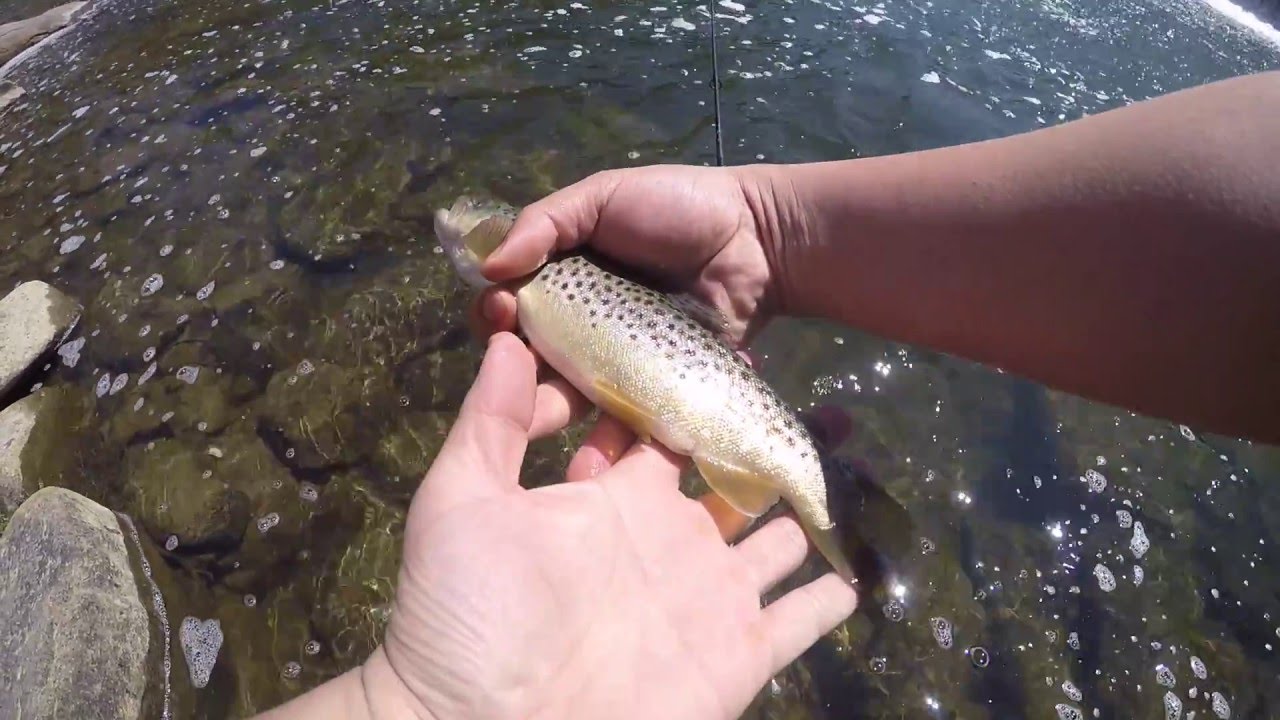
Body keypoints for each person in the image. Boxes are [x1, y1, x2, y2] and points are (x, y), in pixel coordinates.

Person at [258, 70, 1279, 720]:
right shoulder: (523, 289)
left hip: (705, 409)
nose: (458, 223)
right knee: (774, 477)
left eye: (473, 217)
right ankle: (845, 529)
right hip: (697, 403)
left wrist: (410, 703)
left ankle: (840, 524)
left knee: (777, 477)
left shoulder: (515, 280)